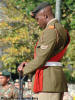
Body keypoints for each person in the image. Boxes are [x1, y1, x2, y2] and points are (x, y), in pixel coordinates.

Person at [18, 2, 70, 100]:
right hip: (52, 79)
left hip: (48, 81)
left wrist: (24, 70)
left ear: (45, 16)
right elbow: (50, 55)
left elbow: (42, 58)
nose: (37, 22)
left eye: (38, 19)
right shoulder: (60, 28)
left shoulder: (50, 30)